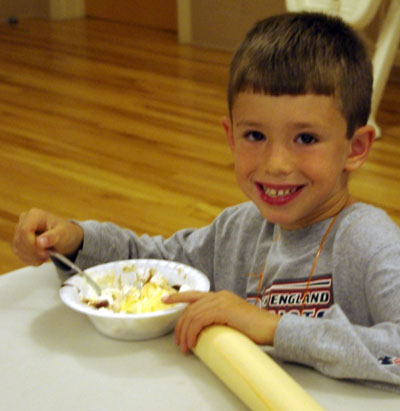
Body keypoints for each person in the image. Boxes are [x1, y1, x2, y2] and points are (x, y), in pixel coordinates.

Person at [12, 12, 400, 392]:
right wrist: (76, 241)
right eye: (255, 136)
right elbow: (153, 264)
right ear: (230, 135)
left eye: (306, 139)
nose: (276, 164)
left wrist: (274, 328)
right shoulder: (237, 231)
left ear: (356, 148)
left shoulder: (370, 243)